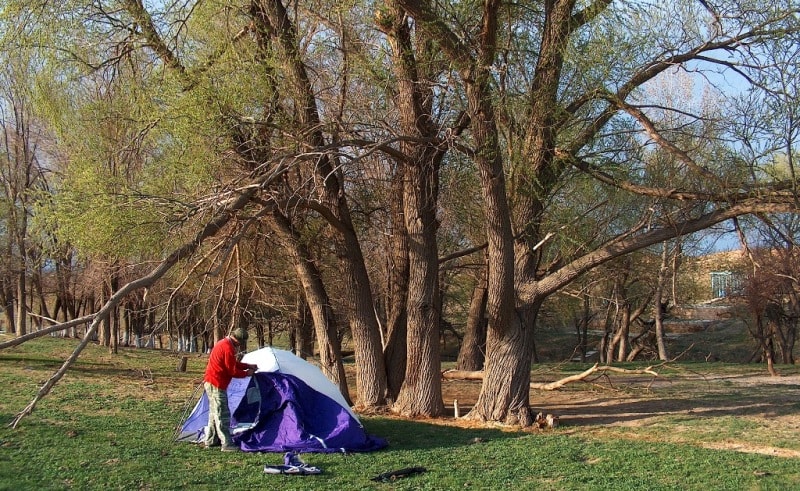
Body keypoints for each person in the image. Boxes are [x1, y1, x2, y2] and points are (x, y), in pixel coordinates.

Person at [202, 327, 257, 452]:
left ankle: (210, 440)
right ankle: (226, 444)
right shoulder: (227, 348)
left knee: (214, 413)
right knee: (222, 413)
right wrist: (247, 373)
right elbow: (231, 370)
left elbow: (233, 364)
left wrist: (247, 366)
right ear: (238, 340)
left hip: (211, 382)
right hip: (216, 383)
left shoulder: (223, 343)